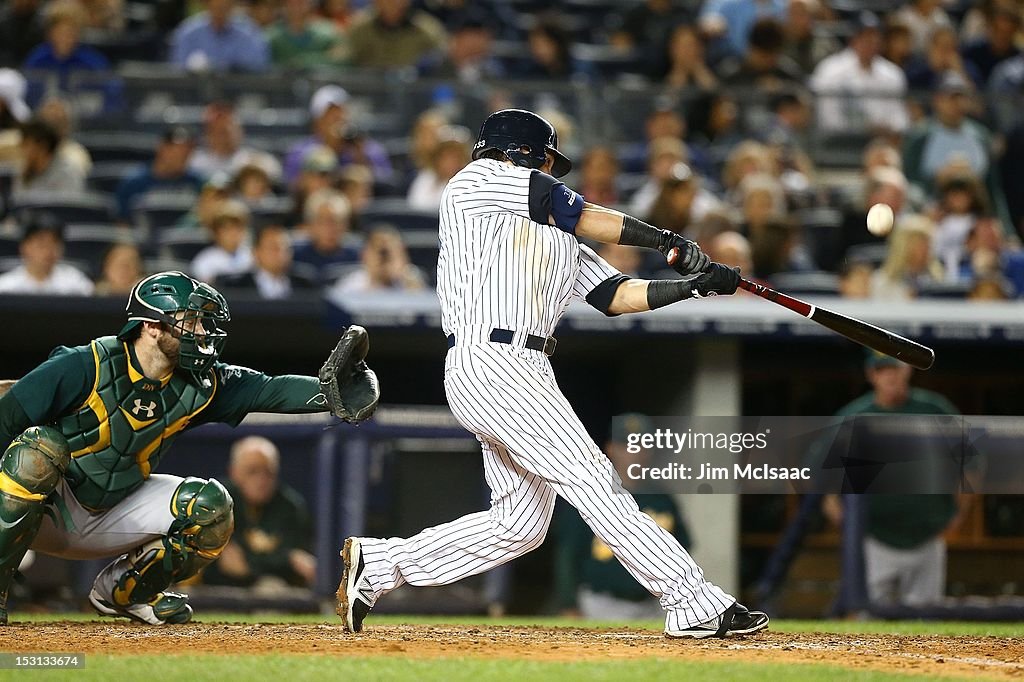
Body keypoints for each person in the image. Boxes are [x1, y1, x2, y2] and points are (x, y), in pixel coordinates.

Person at [336, 108, 768, 639]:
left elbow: (615, 296)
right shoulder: (477, 182)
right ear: (519, 152)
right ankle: (691, 599)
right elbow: (569, 206)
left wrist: (694, 284)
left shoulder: (557, 236)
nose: (549, 167)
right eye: (543, 158)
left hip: (524, 367)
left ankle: (381, 566)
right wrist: (668, 243)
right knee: (592, 477)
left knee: (518, 525)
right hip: (492, 360)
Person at [0, 270, 378, 624]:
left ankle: (126, 592)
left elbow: (267, 388)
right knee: (38, 450)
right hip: (46, 512)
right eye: (190, 321)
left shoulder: (200, 383)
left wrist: (329, 393)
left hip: (114, 510)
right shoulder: (84, 364)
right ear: (150, 326)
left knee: (211, 507)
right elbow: (7, 420)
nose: (201, 332)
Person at [821, 351, 963, 608]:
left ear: (907, 370)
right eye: (881, 370)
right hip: (875, 536)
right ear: (871, 375)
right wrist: (836, 510)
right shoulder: (854, 415)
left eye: (894, 369)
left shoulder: (933, 409)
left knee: (926, 619)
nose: (889, 376)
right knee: (869, 617)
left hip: (928, 534)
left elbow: (970, 462)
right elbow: (824, 470)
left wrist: (961, 511)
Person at [555, 414, 693, 620]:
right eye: (628, 445)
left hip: (653, 606)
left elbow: (683, 548)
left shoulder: (662, 499)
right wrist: (568, 602)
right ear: (611, 449)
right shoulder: (590, 494)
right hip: (600, 603)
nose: (635, 453)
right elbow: (567, 553)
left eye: (642, 445)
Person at [202, 436, 316, 588]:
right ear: (234, 472)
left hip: (265, 588)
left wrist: (249, 564)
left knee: (272, 588)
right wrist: (286, 559)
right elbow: (225, 563)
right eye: (252, 471)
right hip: (213, 587)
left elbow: (302, 565)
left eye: (268, 472)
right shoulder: (216, 500)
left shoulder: (290, 506)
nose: (261, 480)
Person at [809, 12, 908, 134]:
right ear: (852, 39)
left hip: (881, 140)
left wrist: (887, 128)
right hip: (839, 142)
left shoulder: (892, 73)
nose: (871, 41)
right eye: (864, 36)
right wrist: (861, 129)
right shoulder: (830, 69)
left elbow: (899, 118)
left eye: (874, 36)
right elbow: (826, 117)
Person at [282, 85, 392, 185]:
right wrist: (329, 148)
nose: (339, 118)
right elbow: (295, 188)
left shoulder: (369, 150)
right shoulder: (300, 153)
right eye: (331, 113)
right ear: (316, 121)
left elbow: (384, 185)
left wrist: (360, 157)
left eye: (342, 112)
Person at [115, 126, 205, 223]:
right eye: (176, 149)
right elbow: (122, 222)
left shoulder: (196, 183)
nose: (182, 154)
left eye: (187, 150)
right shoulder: (134, 183)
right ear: (161, 147)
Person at [0, 211, 93, 295]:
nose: (48, 250)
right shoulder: (6, 287)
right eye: (42, 244)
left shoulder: (76, 283)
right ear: (24, 247)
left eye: (54, 243)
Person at [188, 101, 281, 183]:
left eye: (225, 131)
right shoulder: (193, 162)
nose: (221, 138)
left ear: (239, 131)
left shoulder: (256, 161)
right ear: (207, 133)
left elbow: (274, 174)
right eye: (216, 131)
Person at [217, 223, 317, 298]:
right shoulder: (236, 287)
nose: (280, 254)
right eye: (273, 248)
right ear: (256, 252)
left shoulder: (305, 284)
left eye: (284, 248)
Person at [170, 0, 270, 72]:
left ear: (233, 5)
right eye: (217, 7)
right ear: (207, 4)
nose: (221, 10)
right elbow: (177, 69)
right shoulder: (188, 32)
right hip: (195, 97)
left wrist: (226, 67)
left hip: (237, 96)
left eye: (225, 6)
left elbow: (258, 67)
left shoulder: (249, 33)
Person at [347, 0, 446, 69]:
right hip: (369, 89)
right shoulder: (360, 27)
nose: (397, 3)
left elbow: (442, 54)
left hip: (411, 91)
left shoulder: (426, 28)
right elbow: (344, 58)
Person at [22, 0, 110, 77]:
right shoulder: (37, 58)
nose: (64, 38)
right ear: (49, 33)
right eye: (59, 33)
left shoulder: (92, 61)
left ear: (78, 34)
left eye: (70, 33)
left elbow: (111, 86)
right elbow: (26, 87)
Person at [332, 224, 426, 293]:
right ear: (364, 255)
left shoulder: (411, 282)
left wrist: (412, 286)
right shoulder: (349, 287)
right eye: (380, 252)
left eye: (388, 253)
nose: (383, 258)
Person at [293, 189, 360, 282]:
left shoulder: (358, 257)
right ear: (310, 224)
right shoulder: (294, 256)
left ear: (346, 225)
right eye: (322, 220)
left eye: (335, 221)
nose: (329, 227)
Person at [12, 117, 86, 195]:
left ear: (43, 146)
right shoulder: (23, 171)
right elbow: (19, 202)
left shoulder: (68, 171)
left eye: (26, 144)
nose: (22, 149)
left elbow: (69, 204)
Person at [267, 0, 348, 69]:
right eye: (291, 2)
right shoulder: (271, 36)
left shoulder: (329, 32)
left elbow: (343, 58)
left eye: (301, 2)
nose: (296, 6)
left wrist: (306, 61)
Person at [406, 126, 470, 211]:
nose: (449, 161)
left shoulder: (468, 184)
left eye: (455, 156)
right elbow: (412, 208)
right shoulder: (425, 176)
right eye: (445, 156)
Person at [190, 199, 254, 283]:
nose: (233, 233)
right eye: (227, 229)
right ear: (216, 232)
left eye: (238, 228)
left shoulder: (254, 257)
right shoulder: (204, 261)